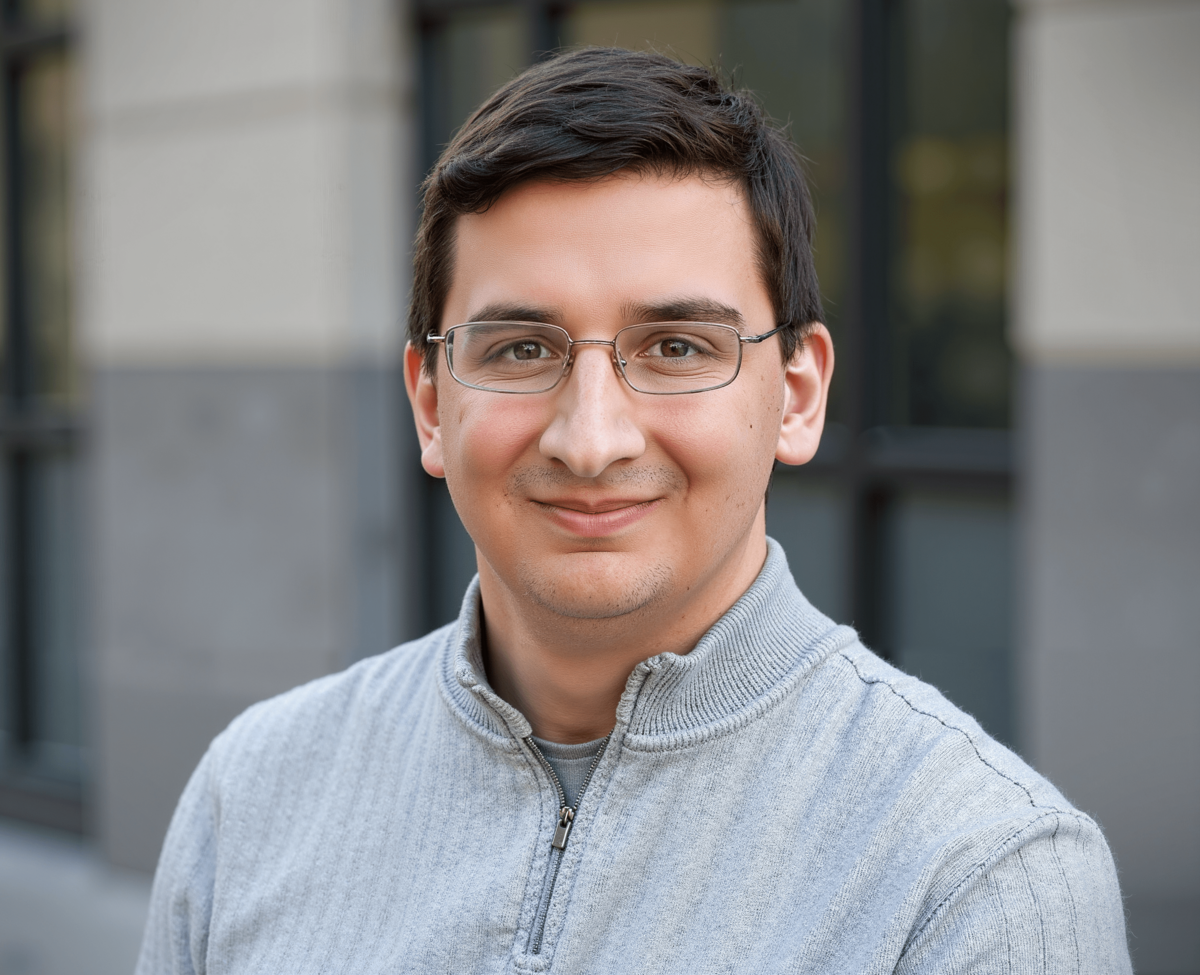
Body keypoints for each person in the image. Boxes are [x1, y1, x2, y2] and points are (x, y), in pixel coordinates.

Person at [137, 48, 1131, 973]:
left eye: (677, 348)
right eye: (521, 349)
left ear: (797, 395)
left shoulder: (980, 880)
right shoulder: (252, 794)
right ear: (431, 405)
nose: (591, 440)